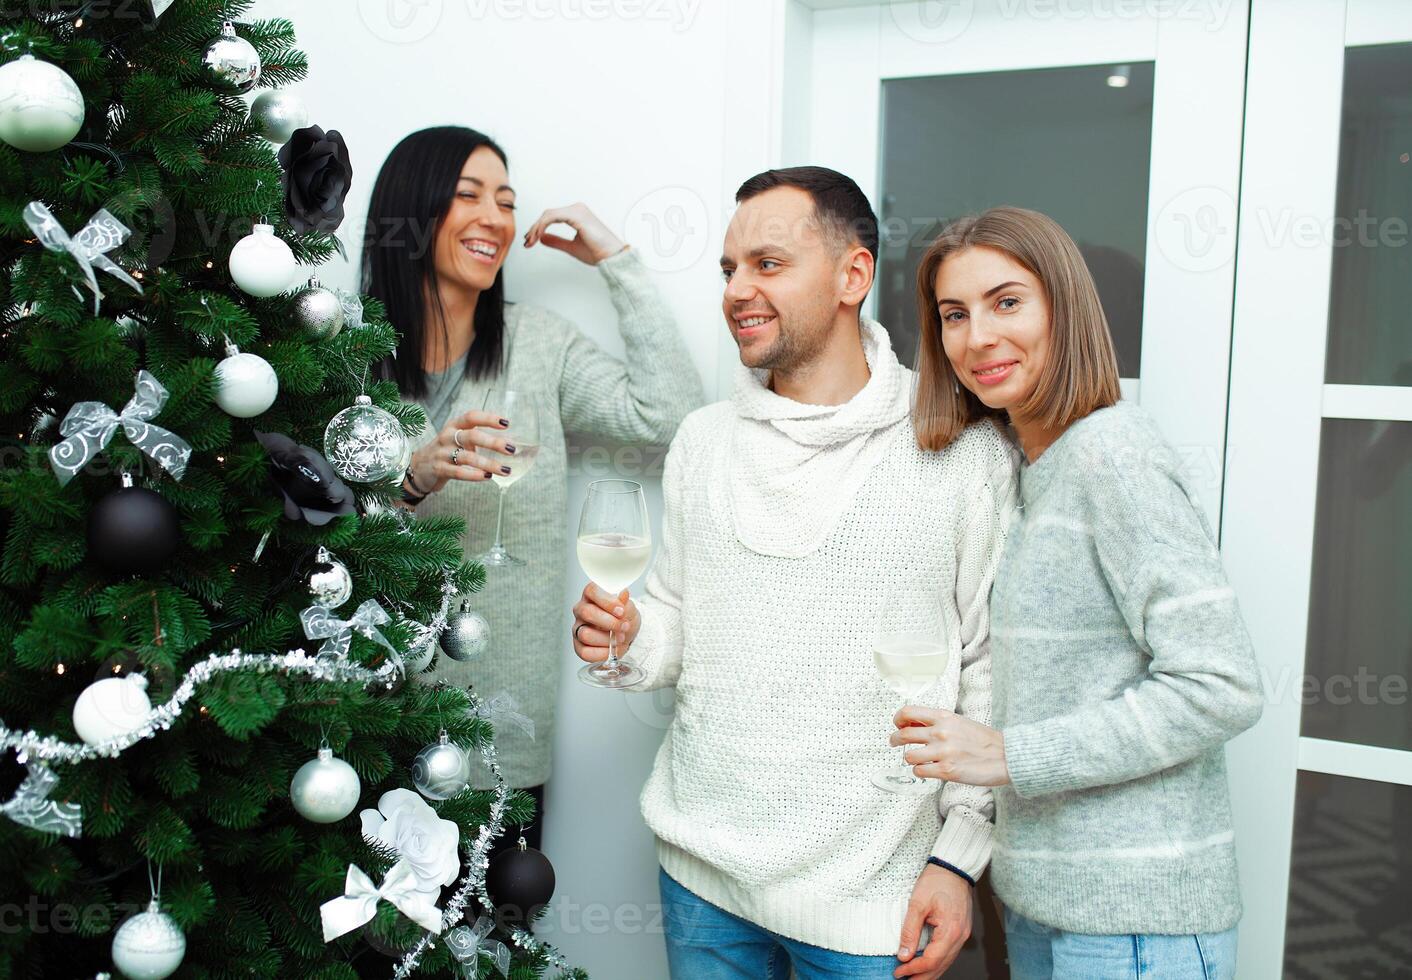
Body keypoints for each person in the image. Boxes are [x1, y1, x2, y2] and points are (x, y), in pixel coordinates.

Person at [572, 167, 1018, 979]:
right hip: (700, 877)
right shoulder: (704, 441)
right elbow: (676, 625)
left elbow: (991, 672)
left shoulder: (959, 451)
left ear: (853, 277)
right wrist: (634, 636)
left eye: (768, 264)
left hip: (874, 899)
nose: (738, 289)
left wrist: (958, 860)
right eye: (729, 269)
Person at [893, 206, 1264, 978]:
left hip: (1134, 922)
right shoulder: (1031, 467)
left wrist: (1007, 754)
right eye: (954, 315)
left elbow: (1221, 685)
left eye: (1007, 302)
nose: (978, 338)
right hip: (1043, 904)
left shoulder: (1111, 457)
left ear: (1065, 309)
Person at [363, 126, 703, 853]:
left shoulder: (539, 346)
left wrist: (617, 261)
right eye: (468, 195)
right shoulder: (347, 354)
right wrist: (413, 477)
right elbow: (307, 527)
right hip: (359, 726)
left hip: (499, 739)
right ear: (411, 211)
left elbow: (670, 413)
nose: (495, 217)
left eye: (507, 201)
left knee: (498, 947)